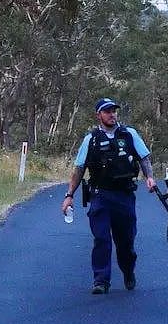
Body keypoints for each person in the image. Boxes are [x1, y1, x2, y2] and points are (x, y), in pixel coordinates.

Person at [61, 98, 156, 294]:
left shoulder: (129, 134)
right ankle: (101, 280)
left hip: (124, 196)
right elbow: (79, 169)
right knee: (101, 238)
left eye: (113, 111)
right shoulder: (91, 139)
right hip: (101, 195)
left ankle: (128, 270)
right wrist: (69, 195)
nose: (112, 114)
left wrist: (150, 178)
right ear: (99, 115)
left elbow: (144, 158)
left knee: (126, 242)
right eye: (107, 111)